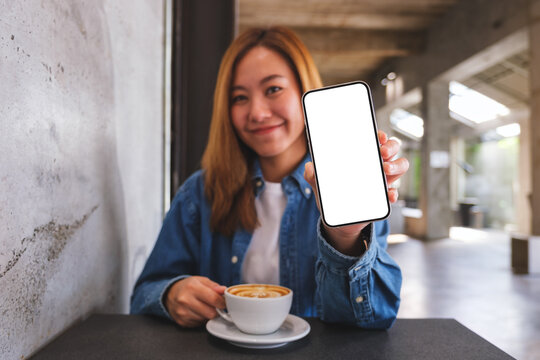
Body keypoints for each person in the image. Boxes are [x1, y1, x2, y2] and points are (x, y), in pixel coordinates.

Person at [130, 27, 409, 330]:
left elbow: (376, 318)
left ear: (305, 92)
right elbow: (144, 293)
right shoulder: (200, 192)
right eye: (239, 97)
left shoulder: (349, 185)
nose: (258, 113)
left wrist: (346, 238)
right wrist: (171, 294)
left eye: (273, 89)